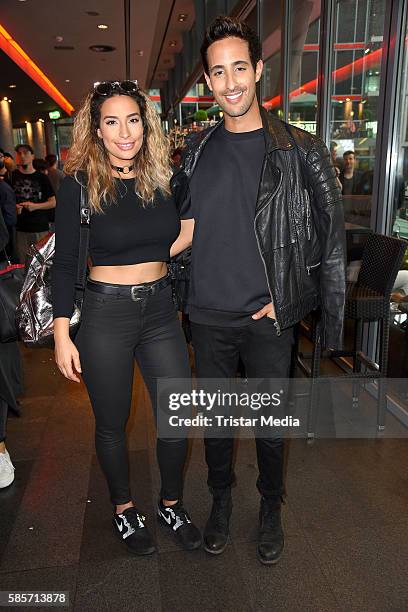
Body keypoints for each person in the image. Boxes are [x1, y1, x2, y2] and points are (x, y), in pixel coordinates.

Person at [177, 16, 346, 565]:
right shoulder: (197, 151)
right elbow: (176, 227)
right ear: (207, 81)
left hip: (268, 317)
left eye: (239, 69)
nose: (230, 83)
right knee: (219, 429)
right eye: (218, 72)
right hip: (208, 316)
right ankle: (221, 502)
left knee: (272, 428)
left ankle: (270, 505)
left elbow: (329, 237)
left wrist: (294, 298)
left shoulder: (300, 150)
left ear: (259, 71)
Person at [52, 80, 200, 556]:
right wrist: (61, 333)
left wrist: (150, 256)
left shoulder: (165, 177)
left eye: (132, 120)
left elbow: (184, 233)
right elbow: (65, 259)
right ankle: (123, 509)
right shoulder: (78, 185)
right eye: (111, 122)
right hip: (105, 313)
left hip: (160, 309)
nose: (124, 132)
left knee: (176, 416)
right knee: (112, 423)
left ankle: (171, 503)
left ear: (146, 123)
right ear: (96, 130)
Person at [12, 144, 55, 263]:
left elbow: (53, 202)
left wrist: (35, 206)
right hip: (20, 228)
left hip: (39, 227)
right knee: (23, 263)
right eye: (19, 154)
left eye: (25, 153)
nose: (22, 156)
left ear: (32, 156)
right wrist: (14, 208)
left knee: (41, 263)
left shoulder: (41, 177)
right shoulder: (12, 176)